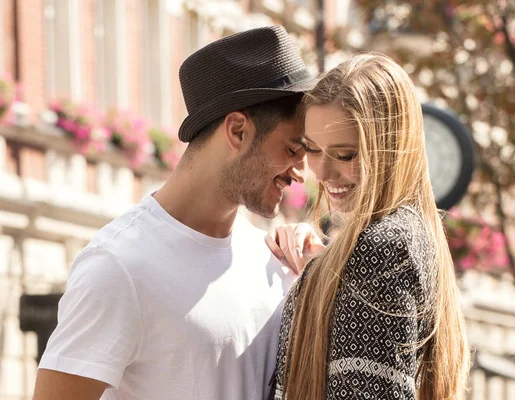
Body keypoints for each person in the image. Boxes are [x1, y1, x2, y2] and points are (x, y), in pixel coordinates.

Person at [32, 26, 317, 400]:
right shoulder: (119, 266)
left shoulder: (275, 260)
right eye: (293, 149)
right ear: (237, 131)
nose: (301, 173)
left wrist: (321, 268)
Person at [266, 53, 471, 400]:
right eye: (312, 150)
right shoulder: (414, 234)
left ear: (391, 150)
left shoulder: (382, 248)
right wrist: (321, 270)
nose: (323, 173)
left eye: (346, 155)